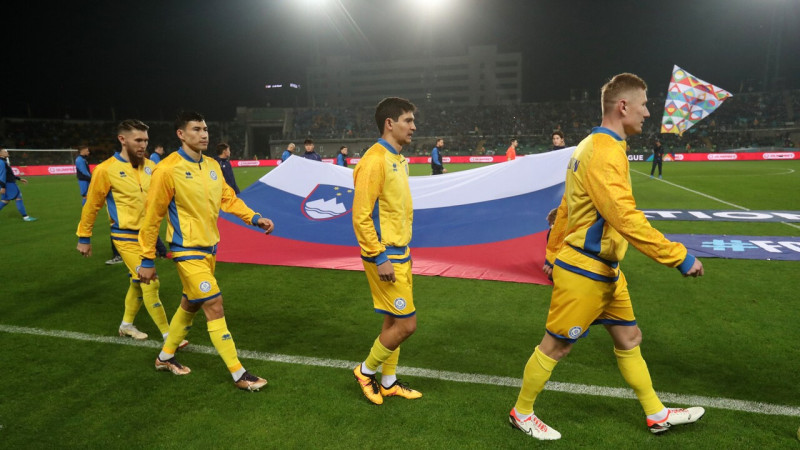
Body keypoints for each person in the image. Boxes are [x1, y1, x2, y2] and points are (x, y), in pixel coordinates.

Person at [508, 73, 706, 440]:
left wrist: (552, 250)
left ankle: (656, 414)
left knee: (630, 338)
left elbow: (566, 207)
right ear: (623, 106)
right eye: (644, 104)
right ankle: (521, 413)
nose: (648, 112)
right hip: (585, 269)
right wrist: (677, 256)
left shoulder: (590, 146)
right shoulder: (602, 151)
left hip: (606, 270)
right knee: (557, 345)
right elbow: (624, 217)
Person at [137, 110, 275, 391]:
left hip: (210, 249)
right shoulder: (167, 168)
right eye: (197, 129)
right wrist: (147, 258)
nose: (204, 134)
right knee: (214, 303)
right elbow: (152, 217)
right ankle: (239, 374)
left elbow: (228, 198)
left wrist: (253, 217)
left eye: (205, 129)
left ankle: (164, 358)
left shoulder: (212, 165)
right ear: (181, 134)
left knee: (190, 304)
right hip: (186, 251)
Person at [75, 120, 178, 345]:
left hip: (148, 236)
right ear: (122, 139)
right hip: (125, 236)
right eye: (138, 140)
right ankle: (170, 336)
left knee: (136, 281)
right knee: (150, 280)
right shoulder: (105, 169)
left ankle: (126, 325)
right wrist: (84, 237)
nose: (143, 145)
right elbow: (91, 205)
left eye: (146, 140)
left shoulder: (152, 166)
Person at [351, 97, 422, 405]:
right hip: (385, 254)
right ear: (390, 124)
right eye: (408, 120)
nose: (414, 126)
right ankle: (365, 372)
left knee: (393, 321)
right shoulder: (374, 160)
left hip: (400, 251)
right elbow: (361, 215)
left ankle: (389, 381)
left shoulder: (397, 159)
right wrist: (379, 256)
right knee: (407, 324)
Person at [0, 147, 37, 221]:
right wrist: (3, 187)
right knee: (18, 197)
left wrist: (19, 179)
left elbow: (9, 174)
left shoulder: (3, 161)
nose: (7, 152)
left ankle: (25, 217)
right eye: (5, 152)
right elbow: (2, 175)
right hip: (8, 184)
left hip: (6, 183)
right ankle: (26, 217)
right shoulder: (1, 162)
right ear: (0, 154)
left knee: (5, 200)